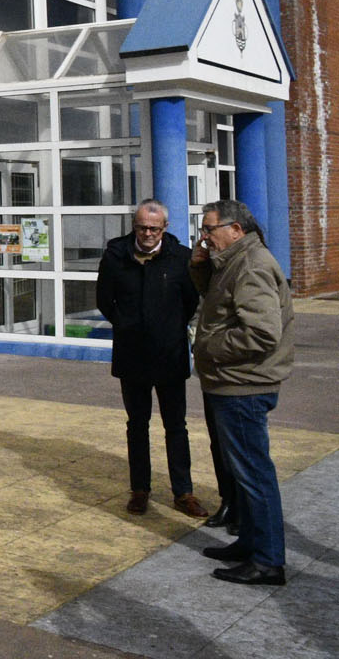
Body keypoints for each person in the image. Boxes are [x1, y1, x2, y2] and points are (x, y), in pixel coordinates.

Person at [191, 199, 295, 586]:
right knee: (243, 471)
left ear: (235, 229)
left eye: (209, 229)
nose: (204, 237)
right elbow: (220, 305)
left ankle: (268, 561)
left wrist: (209, 347)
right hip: (233, 382)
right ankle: (251, 543)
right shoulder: (233, 260)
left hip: (244, 386)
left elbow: (263, 332)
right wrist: (200, 266)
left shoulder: (251, 264)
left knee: (254, 474)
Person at [94, 199, 207, 518]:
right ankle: (140, 489)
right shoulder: (116, 256)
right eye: (141, 227)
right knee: (137, 425)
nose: (147, 233)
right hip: (132, 355)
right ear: (134, 226)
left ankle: (183, 492)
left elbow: (190, 302)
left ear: (164, 228)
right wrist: (127, 324)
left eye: (153, 228)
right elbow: (105, 299)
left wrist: (167, 329)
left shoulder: (181, 258)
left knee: (176, 426)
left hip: (170, 355)